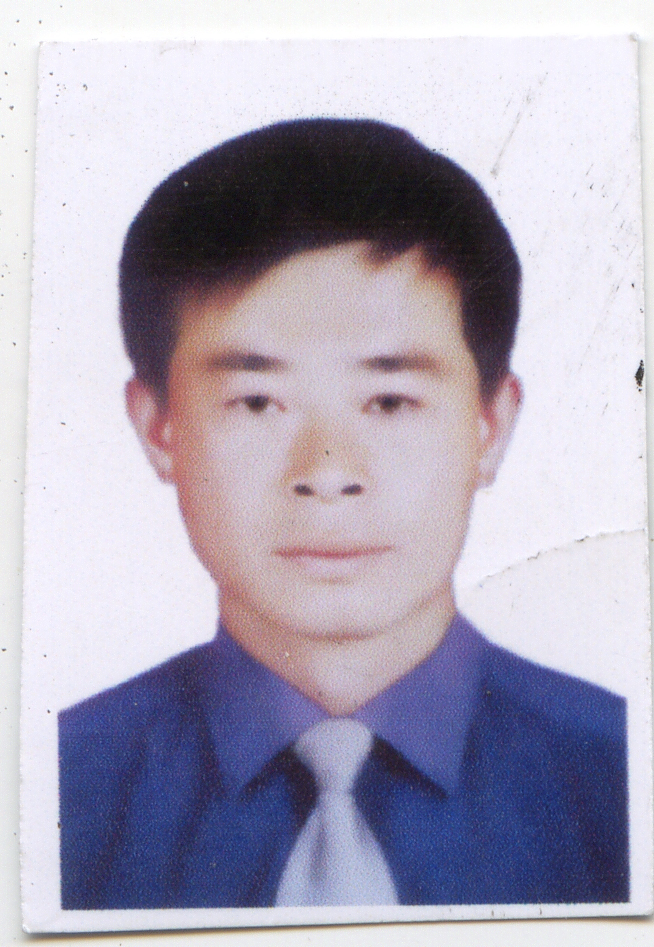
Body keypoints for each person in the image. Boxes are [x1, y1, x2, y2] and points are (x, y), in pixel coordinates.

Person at [58, 118, 628, 910]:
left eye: (389, 400)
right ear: (160, 428)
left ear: (490, 427)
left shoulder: (621, 778)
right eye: (257, 401)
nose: (327, 473)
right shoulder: (55, 789)